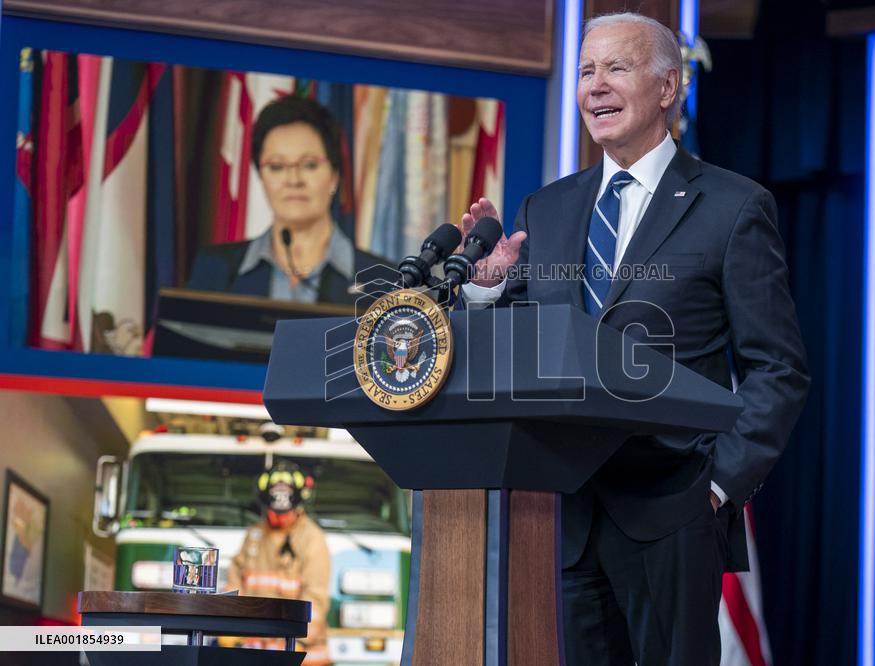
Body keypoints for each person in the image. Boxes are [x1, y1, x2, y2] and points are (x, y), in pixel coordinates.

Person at [461, 12, 810, 666]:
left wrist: (717, 486)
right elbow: (516, 345)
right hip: (562, 515)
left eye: (616, 68)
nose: (595, 86)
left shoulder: (734, 207)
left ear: (668, 88)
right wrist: (484, 289)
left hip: (673, 510)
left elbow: (778, 369)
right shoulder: (547, 209)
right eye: (587, 71)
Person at [187, 95, 388, 304]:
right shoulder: (215, 271)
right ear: (260, 176)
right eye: (277, 167)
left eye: (309, 165)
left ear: (334, 177)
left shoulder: (385, 283)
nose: (293, 180)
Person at [227, 462, 331, 664]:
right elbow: (235, 584)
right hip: (254, 652)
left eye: (284, 513)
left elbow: (315, 601)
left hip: (300, 654)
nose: (278, 518)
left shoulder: (312, 538)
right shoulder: (254, 536)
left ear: (298, 505)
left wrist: (299, 639)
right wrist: (227, 628)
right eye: (273, 512)